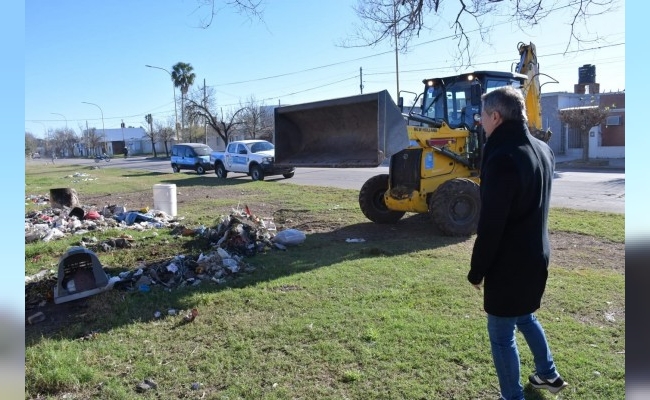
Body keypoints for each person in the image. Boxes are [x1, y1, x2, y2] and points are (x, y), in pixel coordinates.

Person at [467, 86, 568, 400]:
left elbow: (492, 225)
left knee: (501, 334)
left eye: (482, 115)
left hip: (509, 264)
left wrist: (477, 270)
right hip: (537, 256)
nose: (479, 121)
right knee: (525, 315)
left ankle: (512, 396)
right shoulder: (542, 149)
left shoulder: (503, 156)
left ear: (495, 116)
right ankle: (548, 375)